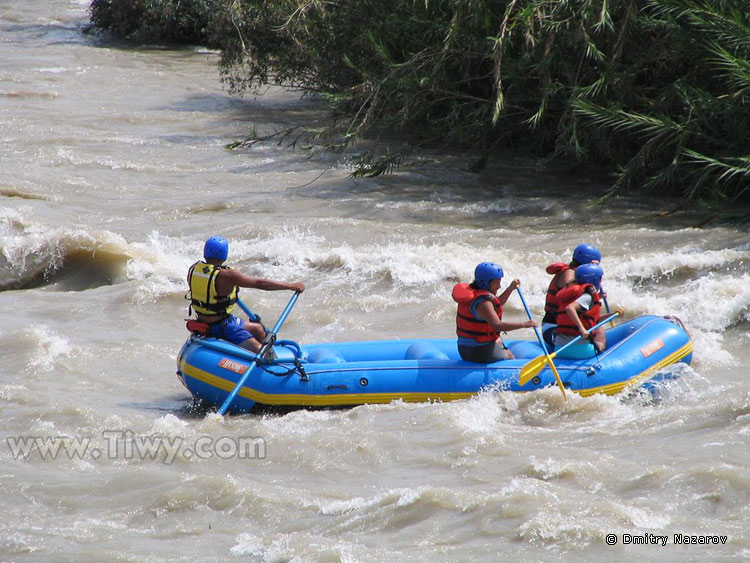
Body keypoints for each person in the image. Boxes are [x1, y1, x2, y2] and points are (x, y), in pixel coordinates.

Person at [186, 236, 305, 353]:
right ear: (224, 255)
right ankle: (268, 359)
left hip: (207, 321)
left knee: (258, 328)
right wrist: (291, 286)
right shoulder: (227, 275)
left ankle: (272, 352)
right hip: (222, 327)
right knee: (261, 351)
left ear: (205, 253)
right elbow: (260, 283)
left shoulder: (193, 269)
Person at [452, 262, 538, 363]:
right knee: (510, 356)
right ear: (485, 283)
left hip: (464, 348)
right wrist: (525, 324)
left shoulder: (474, 294)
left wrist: (510, 288)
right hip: (475, 351)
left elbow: (498, 303)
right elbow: (498, 326)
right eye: (497, 282)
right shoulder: (483, 303)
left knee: (498, 340)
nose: (499, 286)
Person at [553, 263, 621, 359]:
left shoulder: (571, 296)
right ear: (595, 280)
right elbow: (570, 308)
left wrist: (613, 315)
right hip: (580, 350)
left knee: (596, 326)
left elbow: (593, 320)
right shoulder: (587, 297)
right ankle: (603, 357)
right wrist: (582, 328)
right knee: (600, 329)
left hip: (559, 349)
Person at [541, 243, 602, 348]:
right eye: (593, 264)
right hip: (553, 327)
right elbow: (571, 295)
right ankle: (598, 350)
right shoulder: (569, 273)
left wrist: (597, 295)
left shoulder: (575, 273)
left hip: (563, 325)